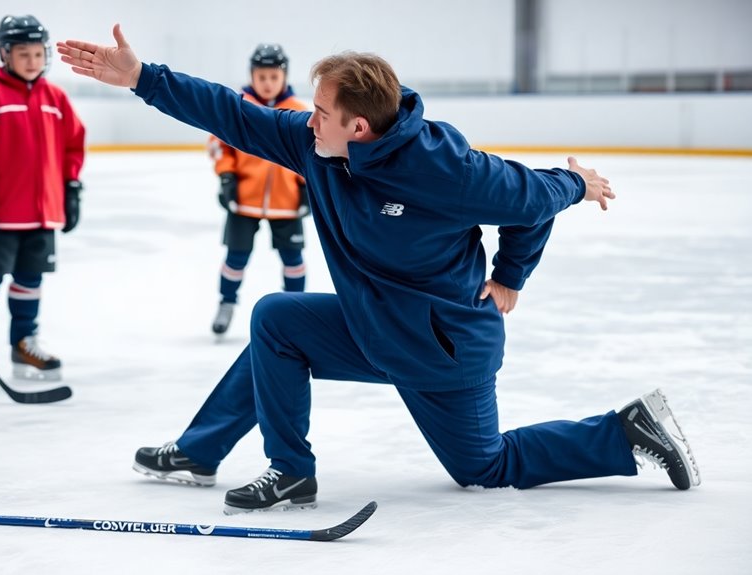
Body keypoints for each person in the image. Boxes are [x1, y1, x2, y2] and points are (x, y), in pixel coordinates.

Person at [58, 27, 700, 514]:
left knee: (485, 465)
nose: (305, 118)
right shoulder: (319, 148)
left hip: (441, 348)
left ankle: (624, 432)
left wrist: (515, 268)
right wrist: (142, 76)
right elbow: (233, 113)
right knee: (278, 320)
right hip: (373, 325)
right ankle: (270, 466)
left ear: (358, 125)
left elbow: (532, 200)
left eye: (319, 110)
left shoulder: (445, 169)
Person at [0, 15, 86, 390]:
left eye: (38, 53)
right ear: (5, 54)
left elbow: (74, 144)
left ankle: (23, 343)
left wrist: (71, 188)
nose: (32, 61)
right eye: (23, 53)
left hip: (41, 214)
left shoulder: (55, 99)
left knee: (30, 281)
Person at [207, 44, 310, 336]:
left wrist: (307, 187)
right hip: (244, 200)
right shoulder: (239, 108)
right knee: (235, 258)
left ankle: (298, 309)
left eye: (273, 77)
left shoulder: (300, 113)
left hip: (287, 203)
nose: (267, 83)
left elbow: (311, 153)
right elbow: (218, 145)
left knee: (293, 260)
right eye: (261, 77)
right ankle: (226, 303)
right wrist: (227, 177)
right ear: (252, 75)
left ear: (284, 76)